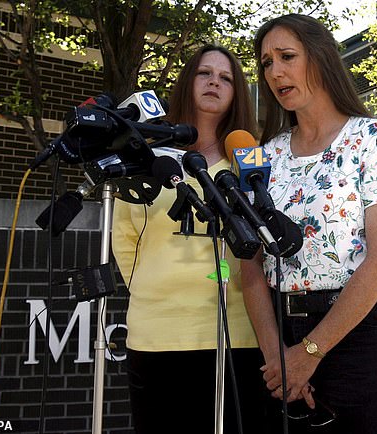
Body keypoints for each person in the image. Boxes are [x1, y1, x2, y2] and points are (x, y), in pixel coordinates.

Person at [240, 14, 377, 434]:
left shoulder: (375, 138)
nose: (275, 72)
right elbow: (248, 268)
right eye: (266, 63)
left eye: (286, 56)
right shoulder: (262, 156)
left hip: (356, 339)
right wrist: (280, 362)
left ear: (320, 59)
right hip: (280, 342)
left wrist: (311, 353)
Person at [111, 44, 265, 434]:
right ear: (187, 81)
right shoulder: (148, 158)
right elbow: (125, 240)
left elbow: (261, 242)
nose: (215, 81)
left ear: (236, 92)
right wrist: (157, 292)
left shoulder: (250, 158)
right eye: (204, 73)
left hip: (238, 336)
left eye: (226, 77)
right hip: (157, 333)